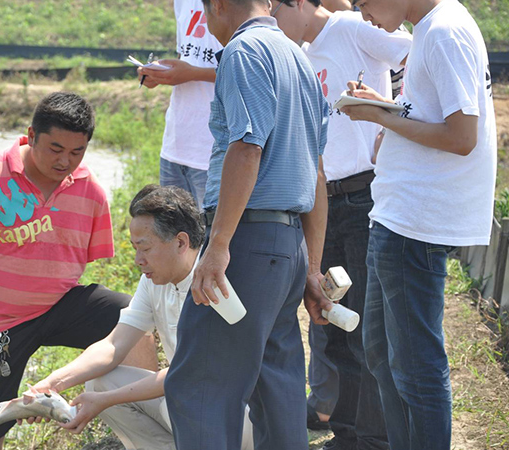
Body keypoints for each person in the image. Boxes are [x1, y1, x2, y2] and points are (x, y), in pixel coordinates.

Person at [0, 92, 156, 450]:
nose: (65, 160)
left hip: (57, 306)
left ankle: (146, 429)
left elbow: (89, 260)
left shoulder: (90, 190)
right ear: (31, 135)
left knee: (132, 321)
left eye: (76, 152)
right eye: (55, 148)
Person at [162, 0, 332, 448]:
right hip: (288, 244)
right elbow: (315, 172)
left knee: (201, 386)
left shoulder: (243, 51)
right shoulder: (298, 57)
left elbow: (246, 148)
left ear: (217, 5)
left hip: (249, 240)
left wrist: (218, 245)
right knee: (276, 385)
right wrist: (311, 267)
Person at [341, 0, 497, 448]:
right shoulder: (434, 26)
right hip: (398, 214)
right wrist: (387, 106)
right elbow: (436, 112)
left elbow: (461, 136)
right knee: (384, 353)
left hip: (417, 224)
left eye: (363, 2)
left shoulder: (444, 30)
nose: (362, 13)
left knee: (415, 367)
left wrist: (380, 117)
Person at [272, 1, 411, 448]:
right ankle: (347, 434)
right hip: (321, 204)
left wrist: (395, 113)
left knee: (370, 331)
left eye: (271, 10)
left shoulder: (352, 28)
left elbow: (413, 53)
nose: (269, 21)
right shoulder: (296, 51)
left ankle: (375, 439)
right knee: (334, 324)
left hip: (364, 196)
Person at [29, 184, 253, 450]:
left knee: (174, 397)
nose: (138, 259)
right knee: (100, 383)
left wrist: (108, 400)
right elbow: (114, 345)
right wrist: (52, 383)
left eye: (144, 249)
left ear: (181, 242)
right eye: (135, 248)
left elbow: (191, 371)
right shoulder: (154, 281)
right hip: (185, 399)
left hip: (233, 417)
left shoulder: (214, 281)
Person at [137, 0, 224, 209]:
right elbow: (185, 55)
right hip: (176, 144)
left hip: (212, 149)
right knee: (173, 234)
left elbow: (246, 67)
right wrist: (158, 73)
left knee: (209, 236)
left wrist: (192, 74)